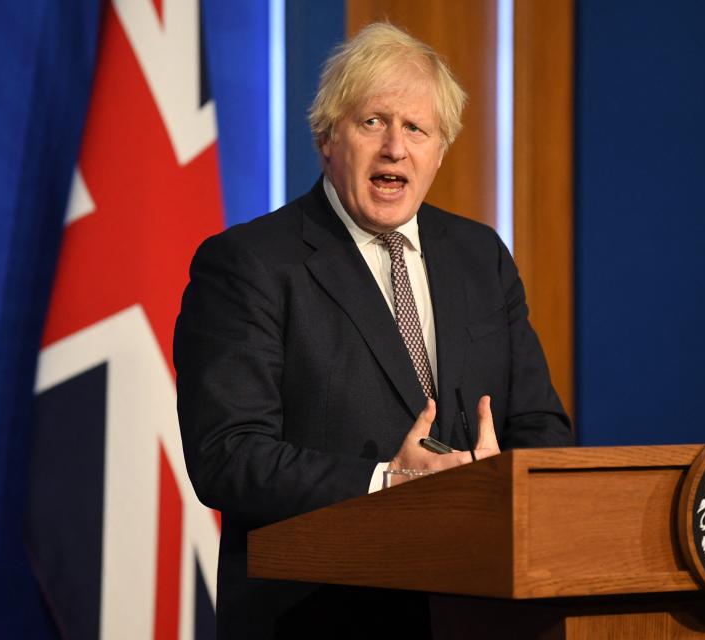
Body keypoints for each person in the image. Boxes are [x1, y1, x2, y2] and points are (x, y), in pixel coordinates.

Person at [174, 22, 572, 639]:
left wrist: (503, 485)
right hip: (320, 616)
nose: (395, 148)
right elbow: (228, 456)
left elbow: (543, 425)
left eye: (417, 128)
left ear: (440, 150)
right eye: (372, 122)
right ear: (327, 137)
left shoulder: (481, 256)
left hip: (479, 611)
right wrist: (387, 483)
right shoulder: (250, 264)